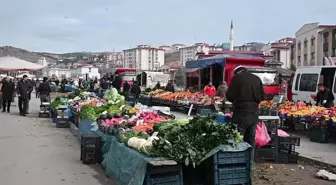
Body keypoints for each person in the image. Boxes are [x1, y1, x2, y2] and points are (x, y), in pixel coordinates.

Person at [226, 66, 264, 164]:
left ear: (237, 72)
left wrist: (237, 99)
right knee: (251, 138)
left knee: (238, 137)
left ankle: (238, 161)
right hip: (254, 113)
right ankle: (250, 162)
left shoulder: (237, 78)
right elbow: (262, 96)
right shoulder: (256, 78)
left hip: (241, 112)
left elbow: (229, 95)